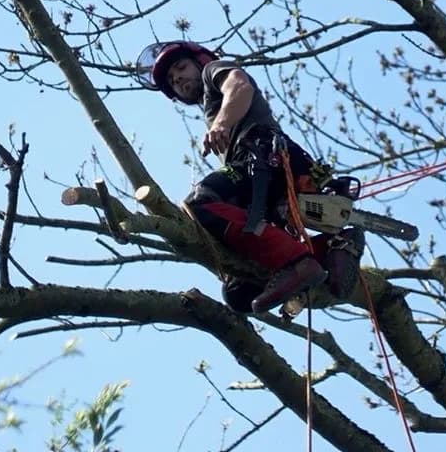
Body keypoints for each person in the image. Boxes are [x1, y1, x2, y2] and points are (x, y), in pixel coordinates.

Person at [141, 41, 360, 313]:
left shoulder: (213, 70)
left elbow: (240, 86)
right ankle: (331, 248)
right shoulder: (210, 105)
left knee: (199, 204)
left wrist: (221, 123)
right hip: (262, 181)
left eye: (181, 68)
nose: (179, 79)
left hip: (265, 157)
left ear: (198, 60)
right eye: (173, 81)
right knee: (238, 293)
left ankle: (299, 263)